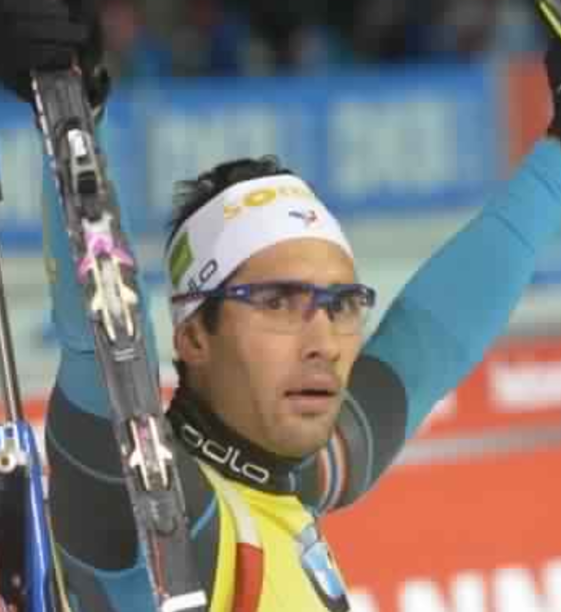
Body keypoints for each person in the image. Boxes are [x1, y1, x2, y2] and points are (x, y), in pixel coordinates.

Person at [1, 0, 561, 610]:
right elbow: (104, 341)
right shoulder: (165, 517)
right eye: (276, 302)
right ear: (194, 335)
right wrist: (72, 107)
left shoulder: (292, 474)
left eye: (340, 304)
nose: (322, 341)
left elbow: (430, 339)